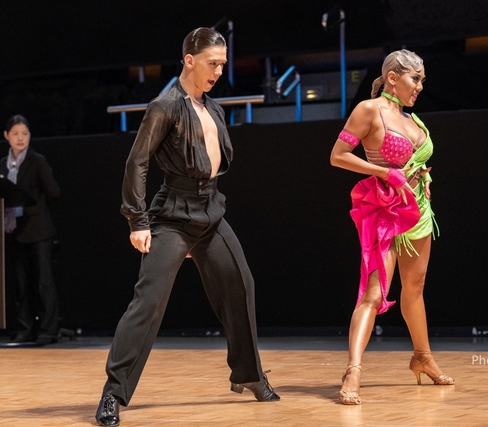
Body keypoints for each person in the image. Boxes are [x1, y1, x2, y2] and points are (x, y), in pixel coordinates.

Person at [95, 27, 279, 427]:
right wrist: (138, 220)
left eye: (222, 65)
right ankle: (113, 393)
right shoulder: (164, 106)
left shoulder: (213, 108)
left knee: (241, 284)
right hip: (173, 216)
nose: (219, 72)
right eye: (213, 64)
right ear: (190, 60)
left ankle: (249, 374)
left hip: (210, 211)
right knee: (149, 303)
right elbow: (137, 163)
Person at [329, 49, 454, 405]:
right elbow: (338, 156)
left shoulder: (411, 119)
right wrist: (386, 172)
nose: (420, 86)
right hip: (385, 213)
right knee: (373, 293)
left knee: (415, 288)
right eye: (415, 78)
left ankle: (422, 357)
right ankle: (353, 370)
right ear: (393, 78)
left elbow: (415, 161)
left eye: (422, 80)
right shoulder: (369, 110)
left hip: (419, 212)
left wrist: (423, 177)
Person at [1, 115, 61, 346]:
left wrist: (29, 202)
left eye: (24, 133)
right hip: (14, 230)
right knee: (21, 283)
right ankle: (25, 329)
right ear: (6, 136)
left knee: (44, 282)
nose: (20, 138)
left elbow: (54, 192)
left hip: (38, 229)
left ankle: (48, 329)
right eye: (15, 133)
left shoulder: (37, 160)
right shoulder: (3, 164)